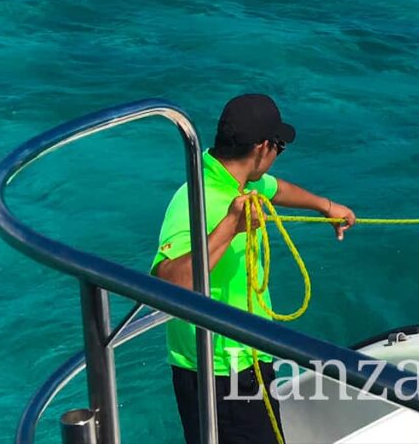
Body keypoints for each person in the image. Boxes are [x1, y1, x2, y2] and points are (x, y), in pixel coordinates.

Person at [153, 94, 356, 444]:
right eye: (279, 146)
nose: (278, 155)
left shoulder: (238, 180)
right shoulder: (197, 199)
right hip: (218, 374)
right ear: (263, 147)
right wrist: (230, 225)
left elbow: (276, 189)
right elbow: (168, 282)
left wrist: (326, 206)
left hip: (249, 359)